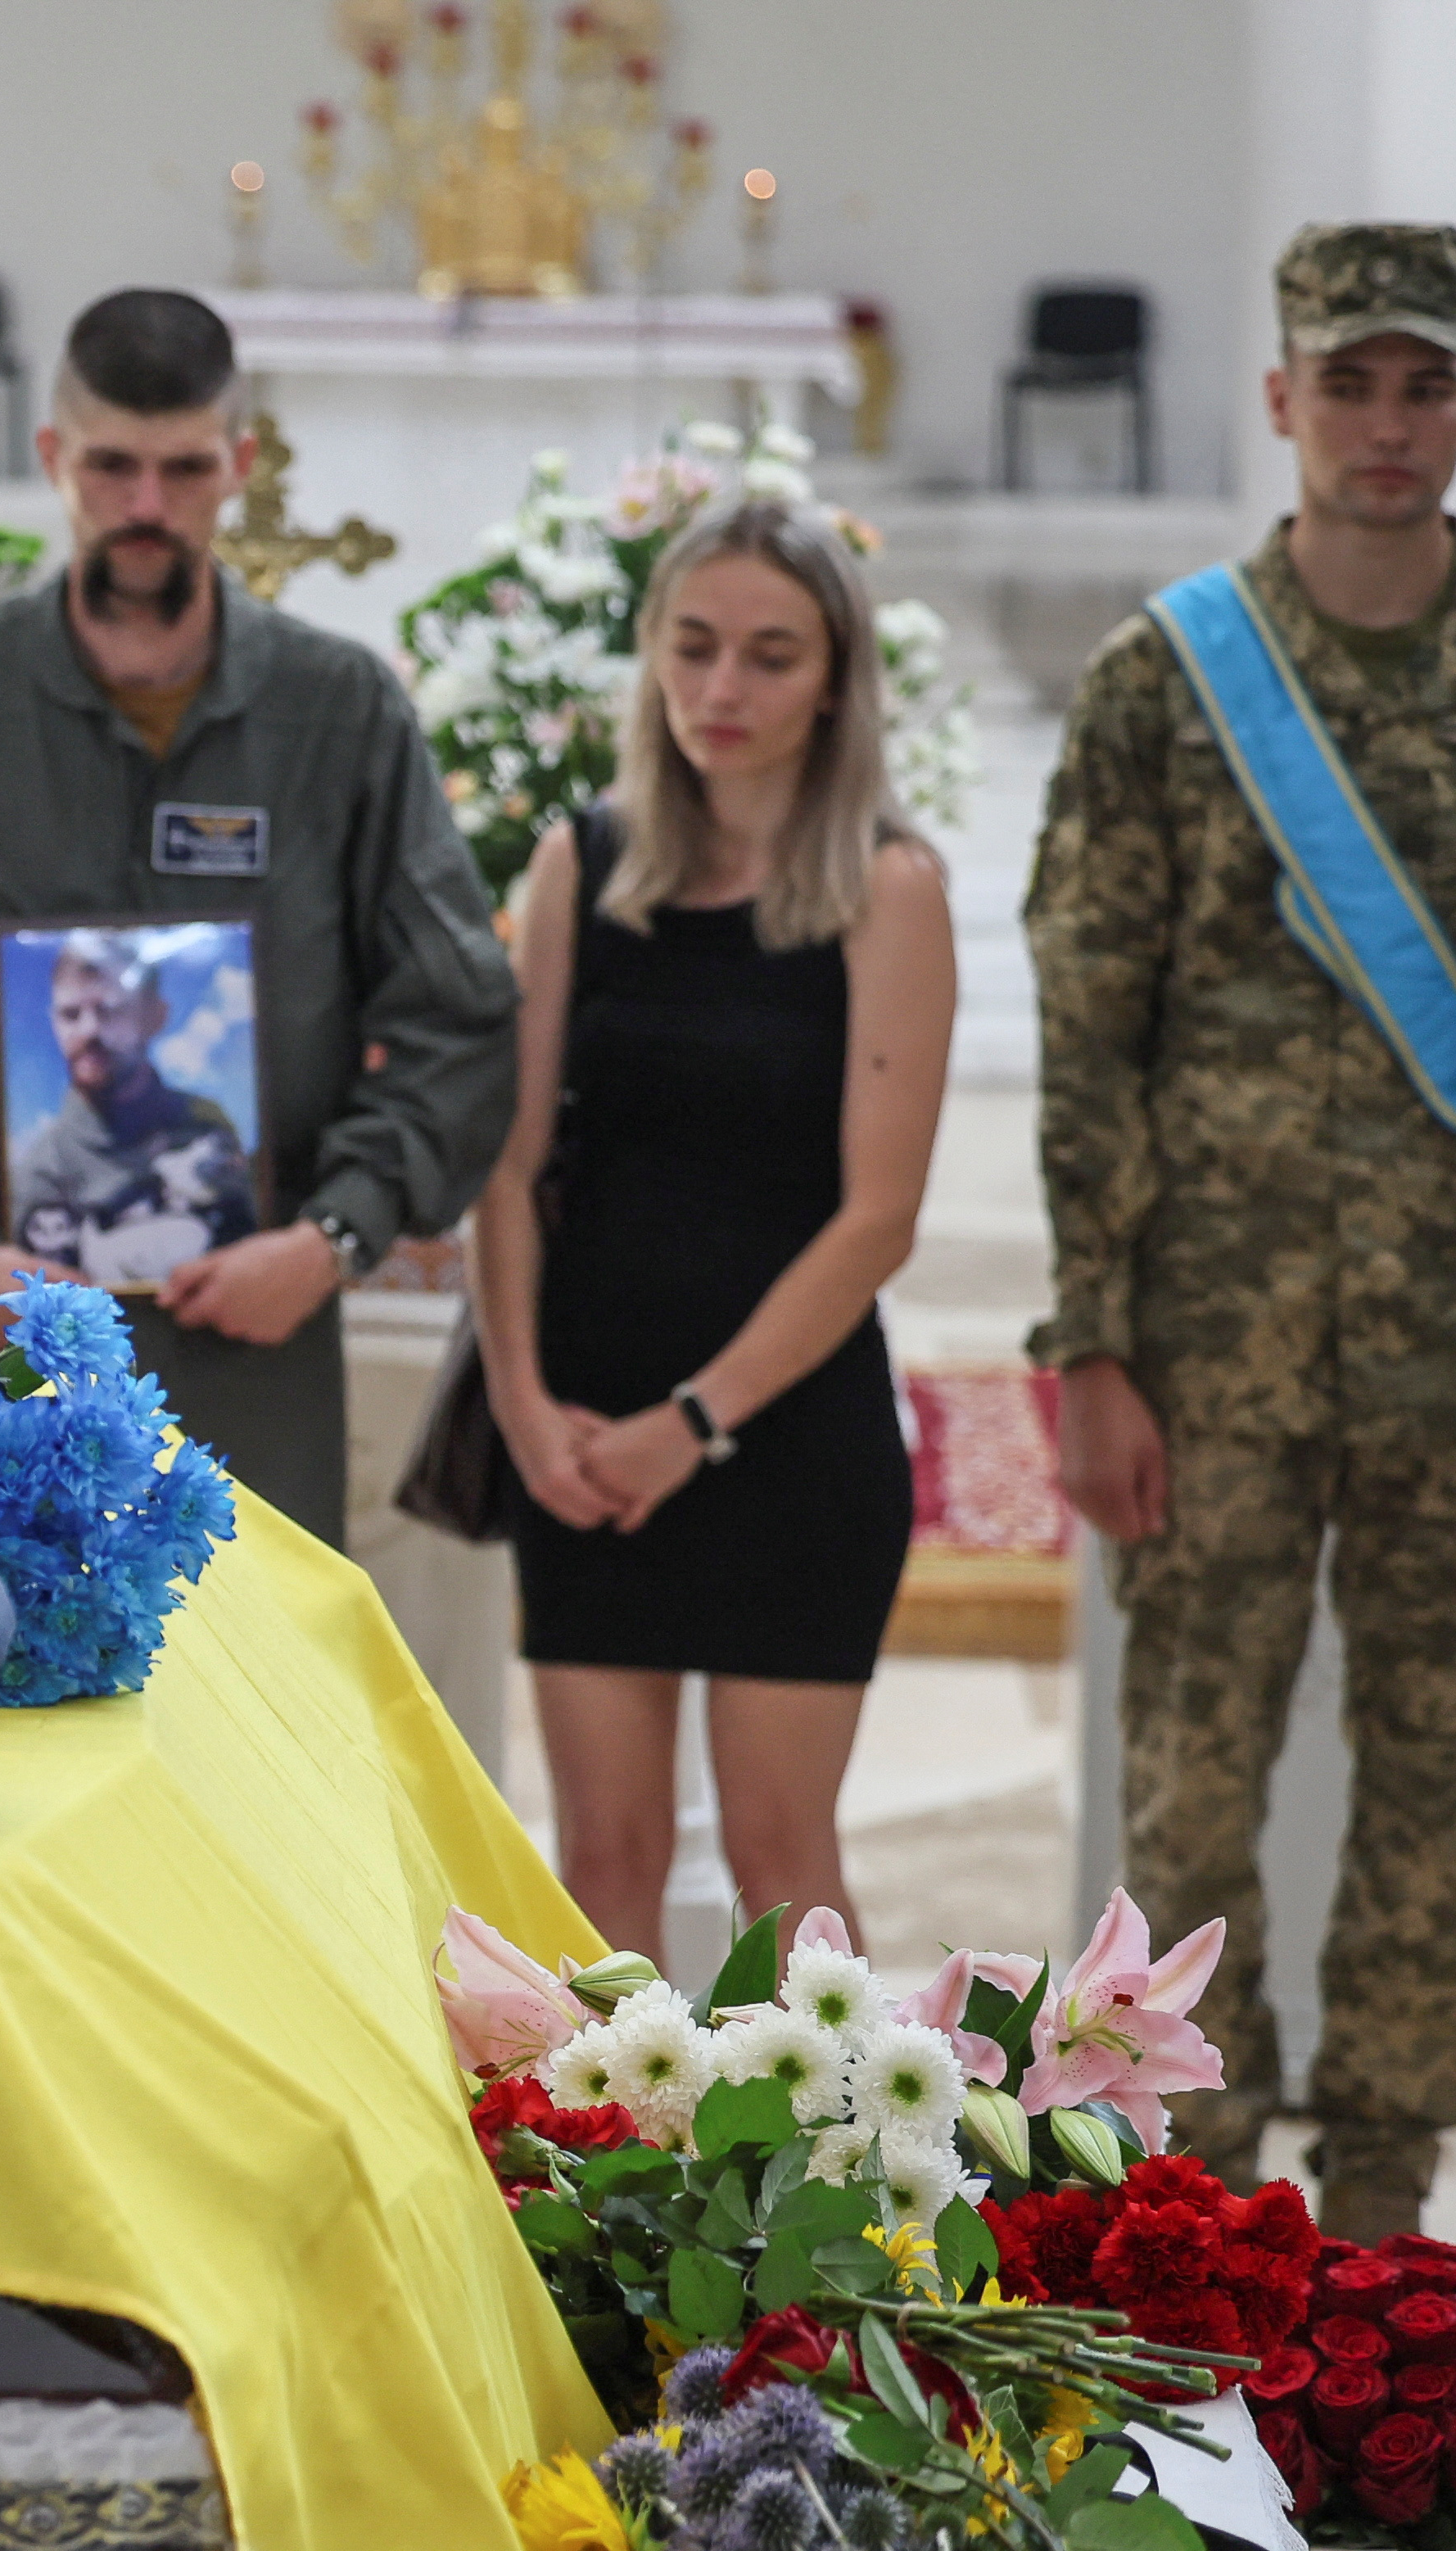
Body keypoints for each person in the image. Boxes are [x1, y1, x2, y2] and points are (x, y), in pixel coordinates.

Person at [1027, 224, 1456, 2240]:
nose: (1384, 424)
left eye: (1420, 385)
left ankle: (1383, 2223)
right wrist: (1088, 1345)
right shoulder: (1164, 682)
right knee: (1190, 1796)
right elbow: (1085, 1029)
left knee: (1425, 1804)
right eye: (1348, 381)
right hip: (1203, 1359)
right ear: (1280, 399)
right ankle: (1191, 2224)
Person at [0, 286, 517, 1538]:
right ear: (51, 460)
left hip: (255, 1335)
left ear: (236, 467)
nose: (145, 506)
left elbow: (459, 1016)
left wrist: (331, 1238)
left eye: (183, 468)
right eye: (112, 465)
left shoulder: (337, 712)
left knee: (252, 1702)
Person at [469, 500, 954, 1957]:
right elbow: (504, 1161)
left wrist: (688, 1423)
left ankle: (820, 2189)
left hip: (780, 1435)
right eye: (690, 649)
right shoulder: (582, 862)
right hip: (578, 1423)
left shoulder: (884, 888)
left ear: (831, 679)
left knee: (775, 1868)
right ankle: (597, 2188)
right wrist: (520, 1408)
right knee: (598, 1863)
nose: (719, 693)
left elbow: (877, 1220)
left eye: (764, 656)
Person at [11, 930, 263, 1285]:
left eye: (109, 1010)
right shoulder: (43, 1171)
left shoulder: (206, 1129)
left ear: (155, 1016)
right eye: (70, 1014)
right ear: (54, 1023)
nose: (89, 1031)